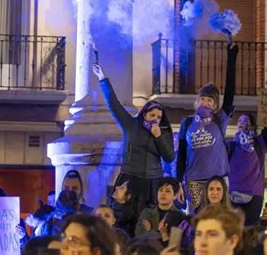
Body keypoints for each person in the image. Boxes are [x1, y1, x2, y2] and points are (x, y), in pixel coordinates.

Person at [94, 63, 176, 210]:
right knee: (125, 215)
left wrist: (159, 137)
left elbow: (169, 157)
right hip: (130, 178)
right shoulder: (131, 125)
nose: (155, 119)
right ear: (144, 114)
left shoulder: (163, 132)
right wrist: (102, 78)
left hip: (152, 181)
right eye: (152, 115)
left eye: (158, 116)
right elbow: (114, 105)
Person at [176, 44, 239, 213]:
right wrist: (178, 182)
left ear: (215, 105)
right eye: (203, 99)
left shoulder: (219, 119)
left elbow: (231, 92)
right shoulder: (187, 123)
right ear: (197, 101)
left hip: (218, 179)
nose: (205, 102)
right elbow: (181, 154)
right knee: (197, 220)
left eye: (210, 100)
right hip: (193, 180)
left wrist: (231, 57)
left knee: (220, 216)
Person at [227, 113, 267, 226]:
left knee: (251, 230)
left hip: (254, 194)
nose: (241, 122)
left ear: (251, 126)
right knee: (233, 227)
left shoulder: (259, 143)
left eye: (245, 120)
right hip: (233, 193)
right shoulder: (231, 145)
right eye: (239, 120)